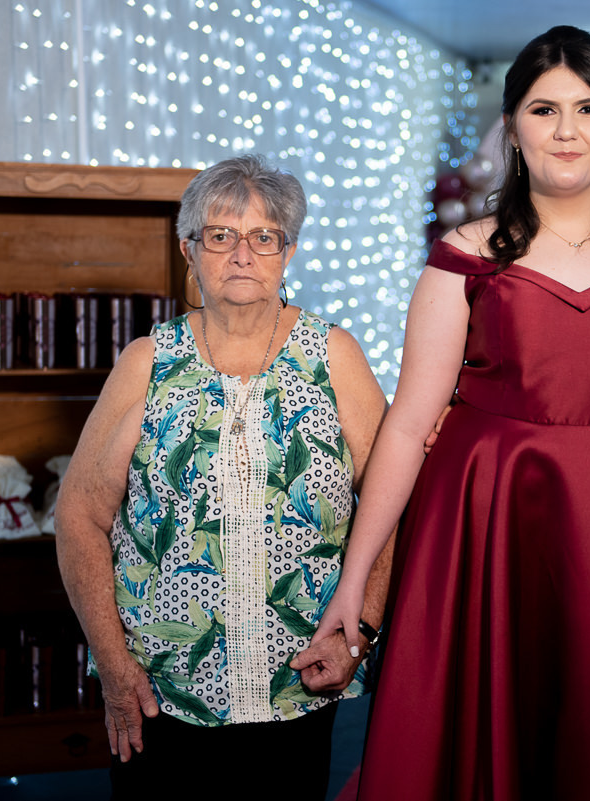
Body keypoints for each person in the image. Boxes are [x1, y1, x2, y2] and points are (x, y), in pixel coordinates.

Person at [316, 25, 590, 801]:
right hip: (485, 517)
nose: (567, 130)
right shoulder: (465, 253)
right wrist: (352, 583)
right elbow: (408, 424)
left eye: (588, 109)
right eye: (543, 109)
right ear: (513, 127)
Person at [54, 154, 393, 796]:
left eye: (264, 237)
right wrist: (114, 666)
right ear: (189, 250)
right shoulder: (147, 362)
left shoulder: (334, 356)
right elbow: (78, 517)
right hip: (160, 694)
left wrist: (360, 634)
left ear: (287, 253)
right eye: (221, 235)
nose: (243, 254)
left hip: (301, 682)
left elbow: (389, 504)